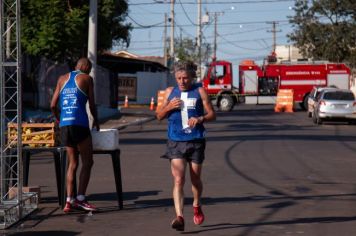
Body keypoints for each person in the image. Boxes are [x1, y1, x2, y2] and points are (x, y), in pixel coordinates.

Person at [156, 60, 216, 231]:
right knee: (178, 179)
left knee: (195, 179)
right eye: (179, 78)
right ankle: (180, 216)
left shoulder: (199, 91)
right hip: (175, 141)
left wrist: (200, 118)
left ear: (192, 77)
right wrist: (168, 106)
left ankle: (196, 205)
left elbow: (213, 114)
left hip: (196, 141)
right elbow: (159, 115)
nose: (182, 81)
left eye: (185, 78)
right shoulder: (169, 92)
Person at [50, 57, 100, 213]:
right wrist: (96, 121)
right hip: (79, 124)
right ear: (86, 67)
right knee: (88, 161)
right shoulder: (87, 79)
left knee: (72, 164)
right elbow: (91, 104)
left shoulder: (62, 78)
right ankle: (80, 199)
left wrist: (59, 119)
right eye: (90, 68)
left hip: (65, 125)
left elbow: (52, 105)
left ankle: (68, 201)